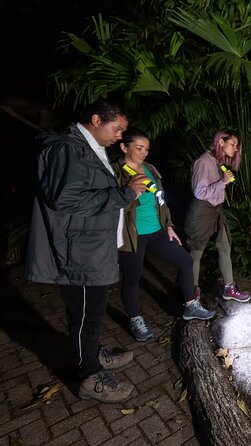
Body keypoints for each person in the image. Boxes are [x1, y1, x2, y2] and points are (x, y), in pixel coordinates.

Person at [25, 101, 148, 403]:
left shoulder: (88, 147)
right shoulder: (69, 149)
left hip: (92, 247)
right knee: (85, 315)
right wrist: (125, 193)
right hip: (79, 252)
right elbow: (66, 199)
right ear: (95, 119)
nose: (120, 136)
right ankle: (89, 377)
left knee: (90, 313)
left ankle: (91, 354)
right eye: (116, 128)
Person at [112, 127, 216, 342]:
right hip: (132, 234)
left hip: (156, 230)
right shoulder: (115, 173)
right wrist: (132, 193)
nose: (144, 153)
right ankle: (135, 319)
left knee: (185, 261)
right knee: (133, 278)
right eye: (138, 148)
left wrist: (168, 225)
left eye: (147, 149)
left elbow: (161, 200)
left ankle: (190, 305)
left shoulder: (149, 168)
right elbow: (112, 206)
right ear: (124, 147)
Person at [184, 129, 251, 303]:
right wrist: (222, 182)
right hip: (202, 210)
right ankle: (192, 294)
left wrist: (222, 182)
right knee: (196, 253)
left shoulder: (217, 162)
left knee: (225, 246)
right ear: (221, 142)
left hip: (216, 209)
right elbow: (199, 192)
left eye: (237, 146)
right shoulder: (203, 162)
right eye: (233, 144)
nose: (235, 149)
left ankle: (229, 288)